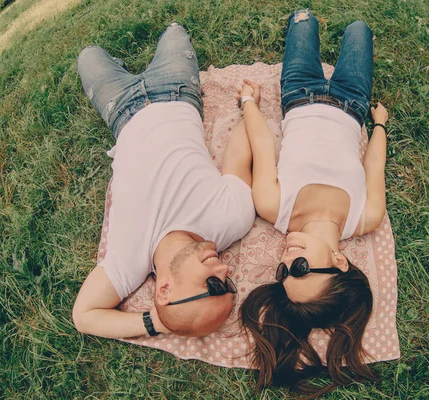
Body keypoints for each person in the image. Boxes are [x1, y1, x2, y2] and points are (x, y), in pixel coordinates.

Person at [237, 10, 389, 395]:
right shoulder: (365, 217)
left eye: (282, 273)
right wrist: (380, 125)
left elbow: (263, 145)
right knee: (359, 28)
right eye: (301, 268)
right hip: (353, 104)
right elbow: (373, 163)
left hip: (299, 93)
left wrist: (248, 104)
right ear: (339, 262)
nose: (286, 261)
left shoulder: (274, 208)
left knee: (302, 18)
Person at [72, 23, 256, 339]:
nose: (225, 270)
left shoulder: (128, 262)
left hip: (121, 109)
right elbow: (239, 153)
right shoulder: (233, 219)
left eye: (213, 284)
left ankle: (118, 69)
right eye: (229, 282)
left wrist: (157, 322)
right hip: (178, 90)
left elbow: (84, 316)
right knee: (174, 32)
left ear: (165, 289)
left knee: (87, 55)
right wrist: (249, 105)